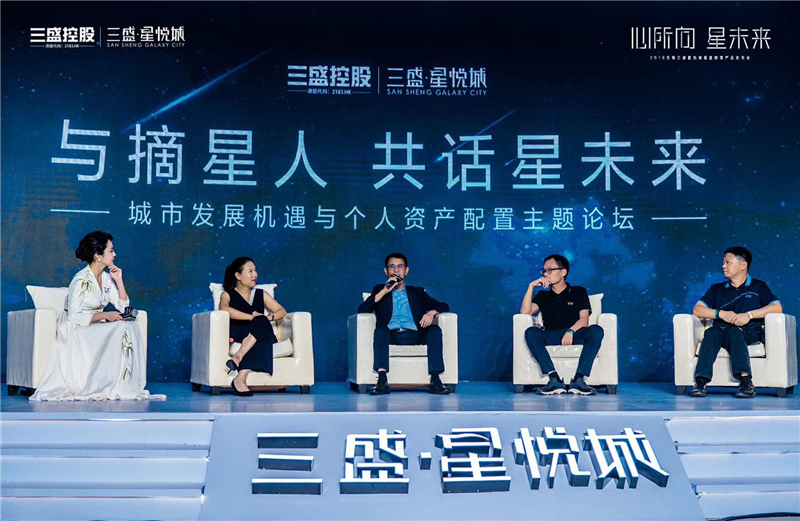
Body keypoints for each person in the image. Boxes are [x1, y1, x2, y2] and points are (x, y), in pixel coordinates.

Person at [30, 232, 164, 401]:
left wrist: (119, 280)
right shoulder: (80, 280)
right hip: (75, 329)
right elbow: (74, 317)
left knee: (128, 325)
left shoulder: (106, 278)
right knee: (120, 328)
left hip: (93, 326)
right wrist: (105, 315)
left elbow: (124, 306)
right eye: (111, 251)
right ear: (98, 255)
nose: (115, 254)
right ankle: (104, 384)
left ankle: (122, 385)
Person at [689, 247, 782, 399]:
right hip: (720, 331)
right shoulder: (716, 289)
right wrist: (721, 314)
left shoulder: (758, 286)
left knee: (734, 332)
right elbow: (697, 310)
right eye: (723, 262)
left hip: (748, 332)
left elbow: (777, 307)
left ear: (743, 265)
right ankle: (700, 382)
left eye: (728, 262)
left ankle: (746, 382)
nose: (723, 266)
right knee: (711, 332)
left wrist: (749, 315)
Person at [358, 253, 451, 395]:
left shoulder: (417, 292)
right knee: (380, 330)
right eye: (392, 267)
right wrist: (385, 291)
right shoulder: (379, 290)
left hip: (415, 334)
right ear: (386, 271)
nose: (396, 270)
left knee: (435, 330)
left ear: (406, 271)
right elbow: (363, 310)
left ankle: (435, 380)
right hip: (390, 334)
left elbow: (443, 305)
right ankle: (382, 380)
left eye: (400, 267)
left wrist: (431, 313)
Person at [520, 254, 605, 396]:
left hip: (574, 334)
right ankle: (554, 379)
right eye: (544, 271)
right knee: (531, 332)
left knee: (596, 330)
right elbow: (525, 312)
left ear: (563, 272)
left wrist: (571, 331)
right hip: (551, 334)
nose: (546, 274)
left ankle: (578, 380)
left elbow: (584, 319)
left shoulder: (578, 291)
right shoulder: (543, 296)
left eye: (550, 270)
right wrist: (531, 286)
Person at [219, 257, 287, 397]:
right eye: (250, 271)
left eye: (255, 271)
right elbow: (224, 309)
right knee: (260, 324)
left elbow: (282, 311)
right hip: (240, 333)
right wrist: (251, 317)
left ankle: (239, 362)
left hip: (260, 331)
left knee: (262, 321)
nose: (255, 275)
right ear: (238, 276)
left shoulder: (261, 294)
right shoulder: (228, 294)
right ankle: (240, 377)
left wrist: (268, 318)